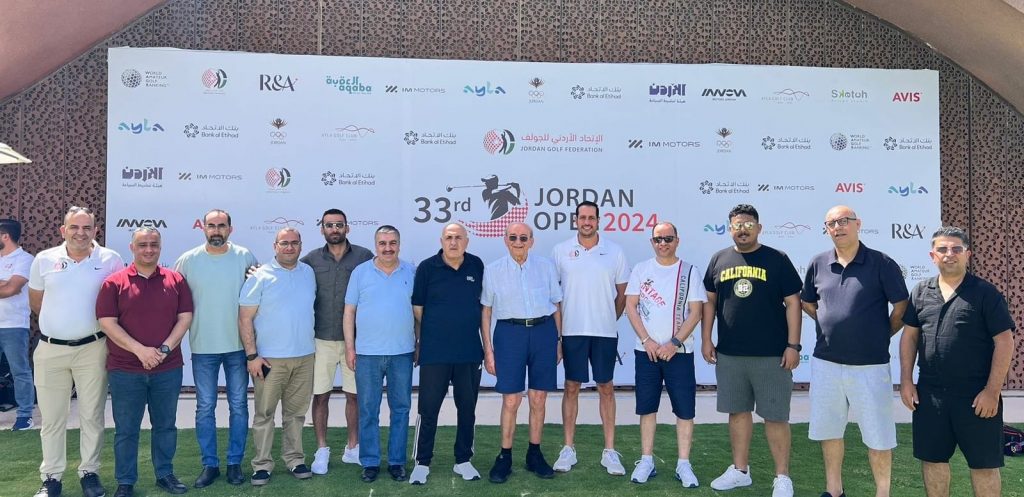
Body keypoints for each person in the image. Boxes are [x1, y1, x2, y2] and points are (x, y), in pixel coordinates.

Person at [899, 227, 1016, 497]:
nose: (949, 254)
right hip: (930, 395)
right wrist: (906, 381)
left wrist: (992, 391)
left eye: (956, 249)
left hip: (976, 396)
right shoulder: (920, 292)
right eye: (942, 249)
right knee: (933, 461)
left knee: (984, 465)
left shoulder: (985, 293)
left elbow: (1004, 341)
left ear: (967, 255)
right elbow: (909, 337)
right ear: (933, 255)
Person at [801, 205, 909, 497]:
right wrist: (829, 323)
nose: (838, 227)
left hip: (870, 365)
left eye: (843, 221)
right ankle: (834, 490)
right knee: (829, 431)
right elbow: (808, 303)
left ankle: (882, 493)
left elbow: (902, 307)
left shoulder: (882, 263)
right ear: (826, 229)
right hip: (826, 363)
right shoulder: (818, 263)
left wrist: (880, 333)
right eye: (831, 223)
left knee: (878, 435)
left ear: (857, 224)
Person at [701, 204, 802, 497]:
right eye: (737, 225)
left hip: (772, 355)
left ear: (759, 228)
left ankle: (782, 477)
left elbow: (793, 303)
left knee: (775, 417)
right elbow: (710, 302)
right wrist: (706, 339)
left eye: (748, 224)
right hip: (730, 354)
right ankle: (740, 471)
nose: (743, 230)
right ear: (729, 228)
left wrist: (793, 345)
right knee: (737, 413)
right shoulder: (719, 259)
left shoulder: (777, 259)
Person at [28, 206, 124, 497]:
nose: (80, 233)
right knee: (52, 418)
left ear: (96, 230)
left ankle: (89, 473)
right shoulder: (44, 260)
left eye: (86, 228)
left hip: (93, 348)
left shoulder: (110, 259)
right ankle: (51, 478)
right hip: (51, 349)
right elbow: (37, 302)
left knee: (92, 415)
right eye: (74, 227)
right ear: (63, 230)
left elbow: (118, 302)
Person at [97, 228, 194, 497]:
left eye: (154, 244)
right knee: (126, 429)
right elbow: (107, 323)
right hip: (125, 369)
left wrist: (163, 350)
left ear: (160, 247)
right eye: (142, 245)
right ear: (132, 247)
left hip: (168, 368)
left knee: (165, 425)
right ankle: (125, 481)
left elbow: (185, 317)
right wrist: (141, 351)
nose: (149, 249)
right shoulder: (114, 283)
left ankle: (165, 474)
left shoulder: (176, 279)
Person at [173, 209, 257, 488]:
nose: (217, 230)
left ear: (230, 229)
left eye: (222, 225)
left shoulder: (245, 257)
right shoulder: (188, 260)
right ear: (203, 228)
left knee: (239, 405)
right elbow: (173, 299)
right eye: (211, 225)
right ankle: (210, 464)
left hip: (237, 346)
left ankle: (234, 463)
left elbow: (258, 296)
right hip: (203, 347)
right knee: (205, 407)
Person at [624, 221, 705, 487]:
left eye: (668, 239)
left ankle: (684, 464)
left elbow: (696, 312)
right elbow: (631, 306)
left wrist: (674, 343)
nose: (663, 244)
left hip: (679, 352)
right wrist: (646, 340)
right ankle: (646, 460)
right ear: (652, 242)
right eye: (658, 239)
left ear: (677, 241)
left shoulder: (689, 271)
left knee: (685, 410)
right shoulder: (641, 269)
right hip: (646, 352)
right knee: (647, 408)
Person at [550, 201, 629, 476]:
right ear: (576, 220)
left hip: (604, 332)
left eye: (591, 218)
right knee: (571, 386)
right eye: (582, 217)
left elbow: (623, 294)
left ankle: (610, 451)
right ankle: (568, 448)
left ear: (598, 220)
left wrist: (608, 317)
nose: (586, 222)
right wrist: (559, 333)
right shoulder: (560, 251)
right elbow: (555, 296)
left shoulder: (615, 251)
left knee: (606, 387)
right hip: (572, 331)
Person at [481, 222, 562, 484]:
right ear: (505, 240)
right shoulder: (493, 270)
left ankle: (534, 454)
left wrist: (558, 341)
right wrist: (488, 349)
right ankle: (505, 456)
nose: (518, 242)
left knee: (538, 397)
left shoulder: (546, 266)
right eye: (513, 237)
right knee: (511, 400)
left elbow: (556, 305)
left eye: (523, 238)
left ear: (532, 241)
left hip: (543, 333)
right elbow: (486, 311)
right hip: (509, 334)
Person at [409, 223, 486, 485]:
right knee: (428, 409)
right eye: (449, 237)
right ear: (441, 241)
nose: (453, 242)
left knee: (467, 409)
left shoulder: (476, 265)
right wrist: (432, 333)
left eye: (458, 238)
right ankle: (422, 463)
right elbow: (418, 308)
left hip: (469, 352)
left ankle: (463, 460)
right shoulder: (427, 268)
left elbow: (482, 306)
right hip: (435, 352)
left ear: (467, 241)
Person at [239, 228, 316, 487]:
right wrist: (252, 355)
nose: (289, 247)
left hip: (304, 357)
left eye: (294, 243)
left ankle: (295, 459)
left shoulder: (308, 273)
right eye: (284, 243)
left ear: (301, 245)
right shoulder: (259, 276)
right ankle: (262, 465)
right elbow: (245, 318)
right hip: (269, 359)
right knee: (265, 414)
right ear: (275, 246)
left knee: (296, 414)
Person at [301, 209, 372, 475]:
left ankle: (353, 448)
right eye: (329, 225)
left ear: (347, 228)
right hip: (321, 339)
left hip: (356, 340)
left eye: (339, 225)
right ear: (322, 229)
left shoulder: (365, 256)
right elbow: (288, 273)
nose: (334, 229)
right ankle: (322, 450)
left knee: (354, 396)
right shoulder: (310, 259)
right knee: (321, 395)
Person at [343, 225, 416, 483]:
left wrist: (419, 343)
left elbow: (419, 312)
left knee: (401, 409)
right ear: (376, 245)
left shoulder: (411, 272)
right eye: (383, 243)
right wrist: (350, 348)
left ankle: (397, 462)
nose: (388, 248)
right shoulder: (360, 272)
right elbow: (349, 312)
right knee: (368, 409)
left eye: (392, 243)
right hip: (368, 354)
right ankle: (370, 462)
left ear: (399, 244)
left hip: (402, 353)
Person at [0, 218, 36, 430]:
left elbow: (12, 289)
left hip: (14, 325)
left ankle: (25, 415)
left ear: (5, 236)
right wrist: (5, 283)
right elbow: (6, 287)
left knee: (19, 371)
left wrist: (8, 285)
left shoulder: (25, 259)